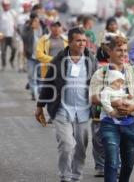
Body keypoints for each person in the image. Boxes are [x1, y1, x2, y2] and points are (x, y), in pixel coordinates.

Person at [35, 27, 97, 182]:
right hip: (62, 109)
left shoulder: (91, 60)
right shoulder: (59, 60)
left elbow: (98, 83)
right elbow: (48, 82)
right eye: (78, 40)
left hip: (84, 110)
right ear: (69, 42)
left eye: (84, 40)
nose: (82, 43)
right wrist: (40, 106)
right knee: (67, 144)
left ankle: (76, 174)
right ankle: (65, 175)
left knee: (81, 147)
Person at [89, 35, 134, 182]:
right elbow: (93, 97)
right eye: (118, 50)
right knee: (112, 161)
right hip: (109, 123)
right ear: (109, 51)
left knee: (129, 164)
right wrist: (115, 103)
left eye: (125, 50)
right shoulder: (101, 73)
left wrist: (132, 107)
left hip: (131, 123)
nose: (123, 54)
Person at [21, 13, 43, 101]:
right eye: (34, 21)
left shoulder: (42, 28)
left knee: (40, 75)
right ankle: (33, 93)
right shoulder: (27, 29)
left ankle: (41, 92)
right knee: (31, 75)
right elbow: (24, 38)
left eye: (37, 21)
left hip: (40, 56)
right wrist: (31, 29)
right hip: (31, 56)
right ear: (31, 21)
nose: (36, 23)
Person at [0, 0, 17, 70]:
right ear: (2, 6)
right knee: (3, 51)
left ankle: (11, 60)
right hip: (2, 35)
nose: (6, 7)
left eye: (7, 5)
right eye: (5, 5)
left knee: (14, 48)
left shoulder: (12, 13)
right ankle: (3, 64)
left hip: (11, 35)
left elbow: (16, 22)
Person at [16, 1, 32, 73]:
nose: (26, 9)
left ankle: (26, 66)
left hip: (28, 38)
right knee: (20, 51)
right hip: (20, 37)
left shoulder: (31, 16)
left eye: (27, 7)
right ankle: (20, 66)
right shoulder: (19, 16)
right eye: (25, 7)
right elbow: (16, 26)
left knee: (27, 52)